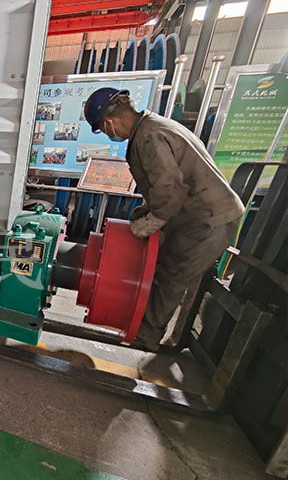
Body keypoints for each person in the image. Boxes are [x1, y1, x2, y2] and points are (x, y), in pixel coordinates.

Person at [84, 88, 245, 352]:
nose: (108, 134)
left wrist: (152, 220)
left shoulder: (148, 136)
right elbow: (172, 178)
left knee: (172, 274)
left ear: (109, 122)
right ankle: (165, 332)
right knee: (172, 269)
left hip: (207, 218)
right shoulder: (154, 125)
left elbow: (170, 188)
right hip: (203, 211)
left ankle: (146, 336)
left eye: (103, 130)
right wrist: (149, 209)